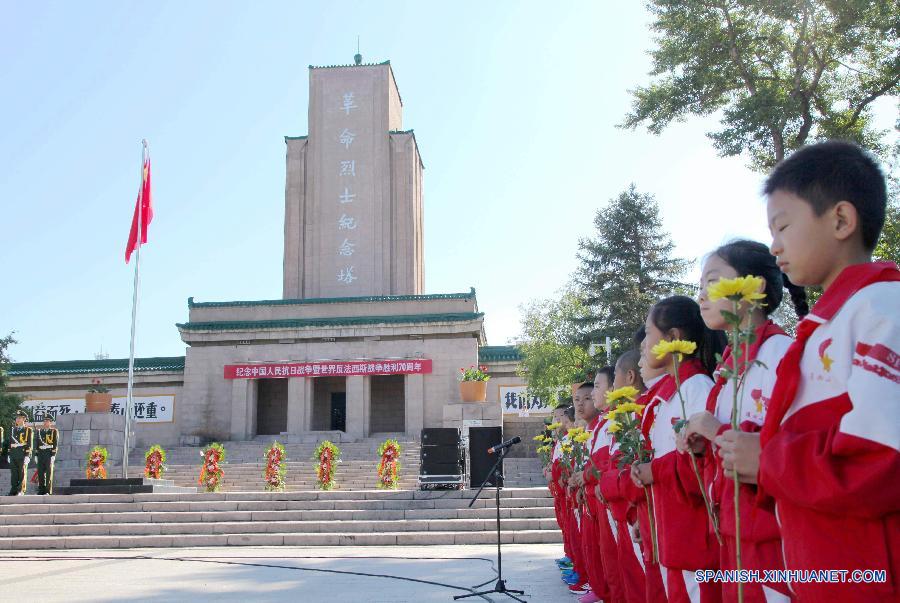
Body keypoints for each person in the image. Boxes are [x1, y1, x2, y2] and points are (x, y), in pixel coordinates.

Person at [721, 140, 900, 602]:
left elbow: (880, 459)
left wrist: (767, 460)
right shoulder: (827, 325)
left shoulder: (881, 309)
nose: (774, 245)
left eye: (782, 226)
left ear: (841, 220)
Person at [680, 239, 806, 602]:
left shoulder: (779, 353)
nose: (701, 296)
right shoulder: (727, 368)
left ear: (753, 288)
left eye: (713, 282)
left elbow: (786, 455)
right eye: (699, 287)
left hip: (772, 542)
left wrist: (715, 431)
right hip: (734, 533)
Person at [631, 296, 725, 603]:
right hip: (674, 535)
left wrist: (653, 471)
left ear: (673, 338)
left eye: (648, 332)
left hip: (695, 541)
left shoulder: (696, 389)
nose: (643, 344)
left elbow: (703, 466)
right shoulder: (671, 395)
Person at [602, 349, 657, 603]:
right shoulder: (625, 419)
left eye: (614, 378)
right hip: (626, 513)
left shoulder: (645, 412)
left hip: (636, 512)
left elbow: (638, 471)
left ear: (631, 376)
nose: (612, 386)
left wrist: (606, 485)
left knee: (642, 583)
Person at [581, 366, 624, 603]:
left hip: (613, 499)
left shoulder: (618, 420)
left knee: (619, 558)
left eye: (597, 387)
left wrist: (588, 477)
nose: (593, 394)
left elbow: (608, 464)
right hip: (599, 497)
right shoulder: (601, 424)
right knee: (605, 552)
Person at [7, 410, 33, 496]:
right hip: (13, 453)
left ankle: (21, 490)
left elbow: (29, 443)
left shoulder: (28, 430)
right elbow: (10, 443)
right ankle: (13, 490)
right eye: (16, 418)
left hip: (22, 454)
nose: (17, 420)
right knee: (14, 473)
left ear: (24, 419)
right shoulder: (12, 430)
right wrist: (9, 454)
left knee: (22, 473)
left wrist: (27, 455)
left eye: (19, 418)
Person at [35, 416, 60, 495]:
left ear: (51, 422)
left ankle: (47, 491)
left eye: (47, 421)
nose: (45, 422)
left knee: (49, 473)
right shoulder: (39, 431)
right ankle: (41, 490)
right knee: (40, 473)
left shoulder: (54, 431)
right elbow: (37, 444)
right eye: (44, 421)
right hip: (41, 453)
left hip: (49, 453)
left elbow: (55, 444)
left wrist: (53, 455)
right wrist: (36, 454)